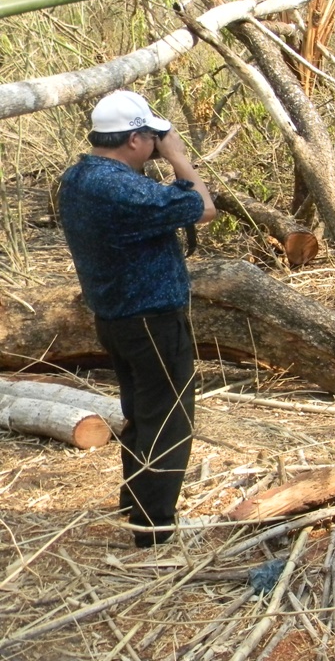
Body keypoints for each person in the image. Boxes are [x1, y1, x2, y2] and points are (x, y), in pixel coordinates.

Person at [59, 90, 217, 547]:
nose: (157, 143)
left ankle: (136, 503)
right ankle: (155, 526)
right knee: (168, 419)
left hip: (115, 317)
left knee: (142, 413)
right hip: (151, 318)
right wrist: (180, 157)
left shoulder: (78, 177)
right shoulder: (124, 189)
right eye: (152, 136)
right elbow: (204, 207)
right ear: (134, 139)